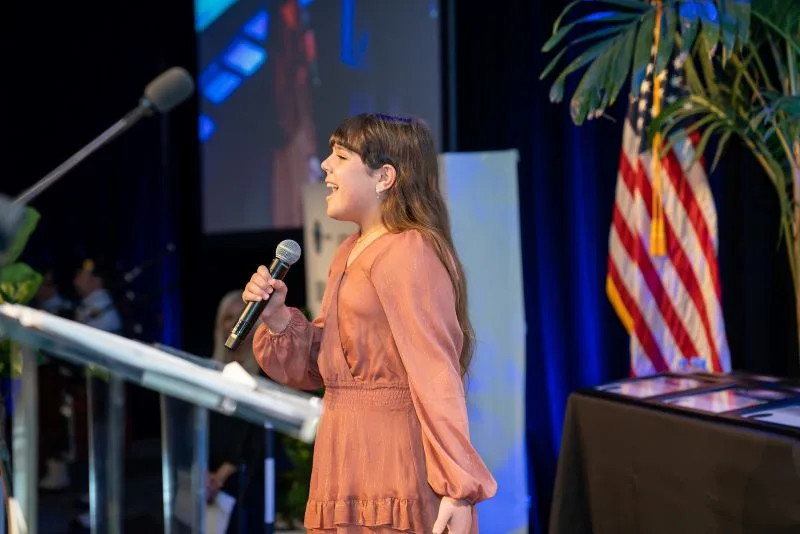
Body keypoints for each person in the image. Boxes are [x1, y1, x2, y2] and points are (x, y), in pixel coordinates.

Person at [243, 113, 497, 533]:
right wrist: (277, 317)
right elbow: (323, 365)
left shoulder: (408, 250)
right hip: (343, 452)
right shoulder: (349, 250)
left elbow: (435, 373)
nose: (325, 165)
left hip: (391, 460)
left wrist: (458, 487)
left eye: (341, 157)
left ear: (384, 177)